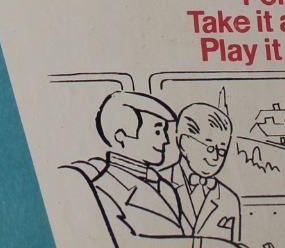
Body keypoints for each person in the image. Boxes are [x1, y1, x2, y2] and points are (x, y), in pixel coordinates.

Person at [64, 91, 247, 247]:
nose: (166, 140)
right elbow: (127, 243)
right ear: (121, 136)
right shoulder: (102, 190)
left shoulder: (165, 187)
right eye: (157, 131)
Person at [171, 103, 244, 242]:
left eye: (221, 151)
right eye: (210, 148)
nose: (215, 157)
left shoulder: (229, 198)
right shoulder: (159, 185)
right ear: (184, 143)